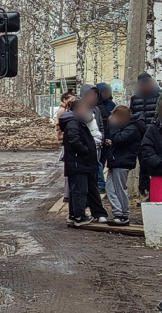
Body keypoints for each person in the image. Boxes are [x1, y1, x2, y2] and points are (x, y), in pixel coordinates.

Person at [60, 97, 109, 226]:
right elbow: (74, 140)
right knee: (79, 190)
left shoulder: (78, 121)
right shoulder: (73, 123)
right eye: (83, 108)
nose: (86, 110)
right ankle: (79, 217)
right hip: (78, 162)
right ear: (76, 110)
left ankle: (78, 214)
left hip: (84, 162)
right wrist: (86, 150)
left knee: (89, 189)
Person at [104, 106, 145, 226]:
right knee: (110, 187)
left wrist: (113, 127)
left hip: (122, 162)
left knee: (120, 188)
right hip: (115, 161)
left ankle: (124, 214)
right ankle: (118, 212)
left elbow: (119, 139)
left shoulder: (132, 128)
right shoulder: (126, 127)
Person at [131, 72, 162, 197]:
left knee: (155, 163)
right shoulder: (135, 97)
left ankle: (154, 192)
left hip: (157, 136)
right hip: (141, 137)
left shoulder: (159, 95)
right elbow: (132, 114)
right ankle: (144, 189)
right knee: (143, 163)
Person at [80, 84, 107, 192]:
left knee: (97, 163)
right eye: (90, 95)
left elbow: (101, 125)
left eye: (94, 95)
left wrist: (101, 138)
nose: (92, 97)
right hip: (85, 143)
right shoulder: (80, 109)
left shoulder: (97, 109)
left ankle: (99, 184)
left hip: (97, 142)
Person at [55, 92, 75, 201]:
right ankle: (67, 194)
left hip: (65, 138)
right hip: (66, 139)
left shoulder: (65, 110)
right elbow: (60, 125)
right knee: (69, 168)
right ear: (65, 99)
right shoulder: (63, 111)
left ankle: (67, 193)